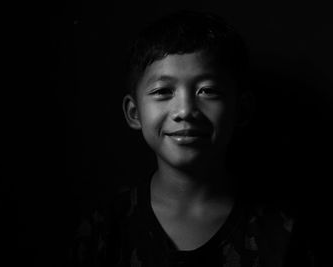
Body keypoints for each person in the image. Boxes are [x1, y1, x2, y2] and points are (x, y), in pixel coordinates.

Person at [72, 10, 314, 267]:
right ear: (134, 113)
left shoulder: (281, 232)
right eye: (163, 91)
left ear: (241, 110)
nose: (186, 110)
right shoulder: (106, 227)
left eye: (207, 90)